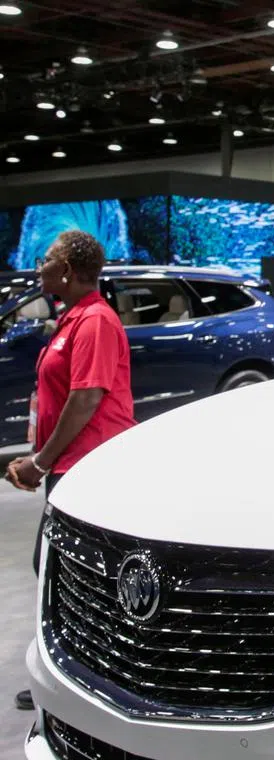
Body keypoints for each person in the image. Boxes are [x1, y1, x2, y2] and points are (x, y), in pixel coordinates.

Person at [5, 230, 135, 711]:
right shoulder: (72, 318)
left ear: (67, 270)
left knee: (69, 573)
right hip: (67, 465)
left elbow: (85, 399)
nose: (40, 265)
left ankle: (80, 683)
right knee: (57, 569)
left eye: (47, 259)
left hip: (89, 468)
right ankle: (71, 677)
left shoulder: (95, 321)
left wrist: (39, 462)